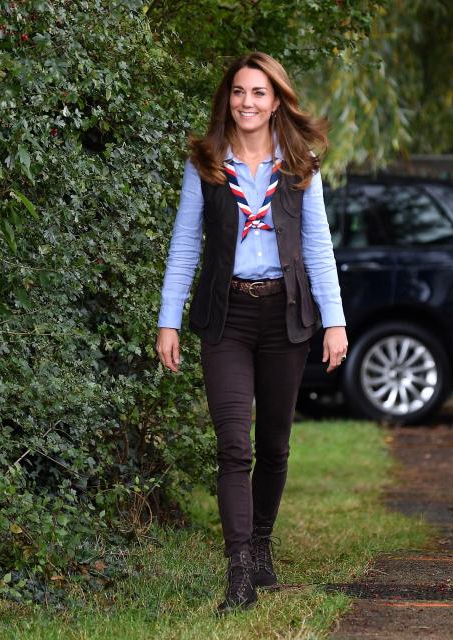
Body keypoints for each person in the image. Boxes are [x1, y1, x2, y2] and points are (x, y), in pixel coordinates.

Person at [155, 52, 347, 613]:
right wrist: (169, 319)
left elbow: (318, 248)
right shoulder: (207, 163)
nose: (247, 102)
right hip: (227, 317)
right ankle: (238, 569)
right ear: (227, 100)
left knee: (274, 447)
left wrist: (334, 321)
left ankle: (262, 542)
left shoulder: (300, 165)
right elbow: (186, 245)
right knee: (234, 445)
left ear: (276, 100)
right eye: (238, 92)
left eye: (258, 93)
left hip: (284, 316)